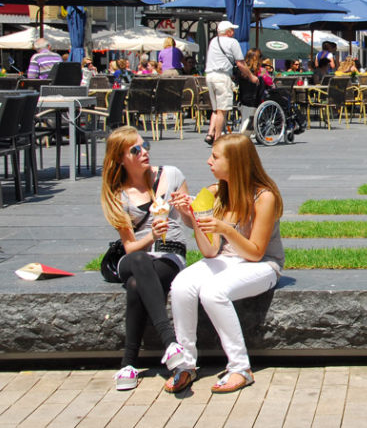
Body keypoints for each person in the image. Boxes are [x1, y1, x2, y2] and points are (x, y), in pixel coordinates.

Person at [164, 134, 285, 395]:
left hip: (263, 264)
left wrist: (226, 230)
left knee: (213, 292)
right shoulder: (213, 193)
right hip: (225, 260)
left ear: (236, 162)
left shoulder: (264, 197)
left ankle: (240, 368)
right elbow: (209, 251)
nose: (208, 161)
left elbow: (255, 253)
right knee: (182, 284)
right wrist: (194, 216)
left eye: (215, 157)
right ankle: (185, 364)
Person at [101, 126, 192, 391]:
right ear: (121, 159)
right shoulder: (119, 195)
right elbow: (130, 247)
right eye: (135, 150)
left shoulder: (171, 174)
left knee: (134, 286)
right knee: (140, 261)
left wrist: (185, 208)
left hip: (170, 255)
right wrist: (151, 235)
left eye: (145, 145)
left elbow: (188, 223)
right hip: (135, 256)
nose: (144, 153)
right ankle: (170, 342)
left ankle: (127, 364)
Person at [205, 20, 258, 146]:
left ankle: (210, 133)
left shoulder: (213, 41)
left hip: (209, 76)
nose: (234, 32)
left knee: (216, 109)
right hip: (222, 77)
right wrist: (251, 76)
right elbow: (240, 63)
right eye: (232, 30)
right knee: (222, 110)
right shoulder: (232, 42)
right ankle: (217, 140)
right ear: (228, 32)